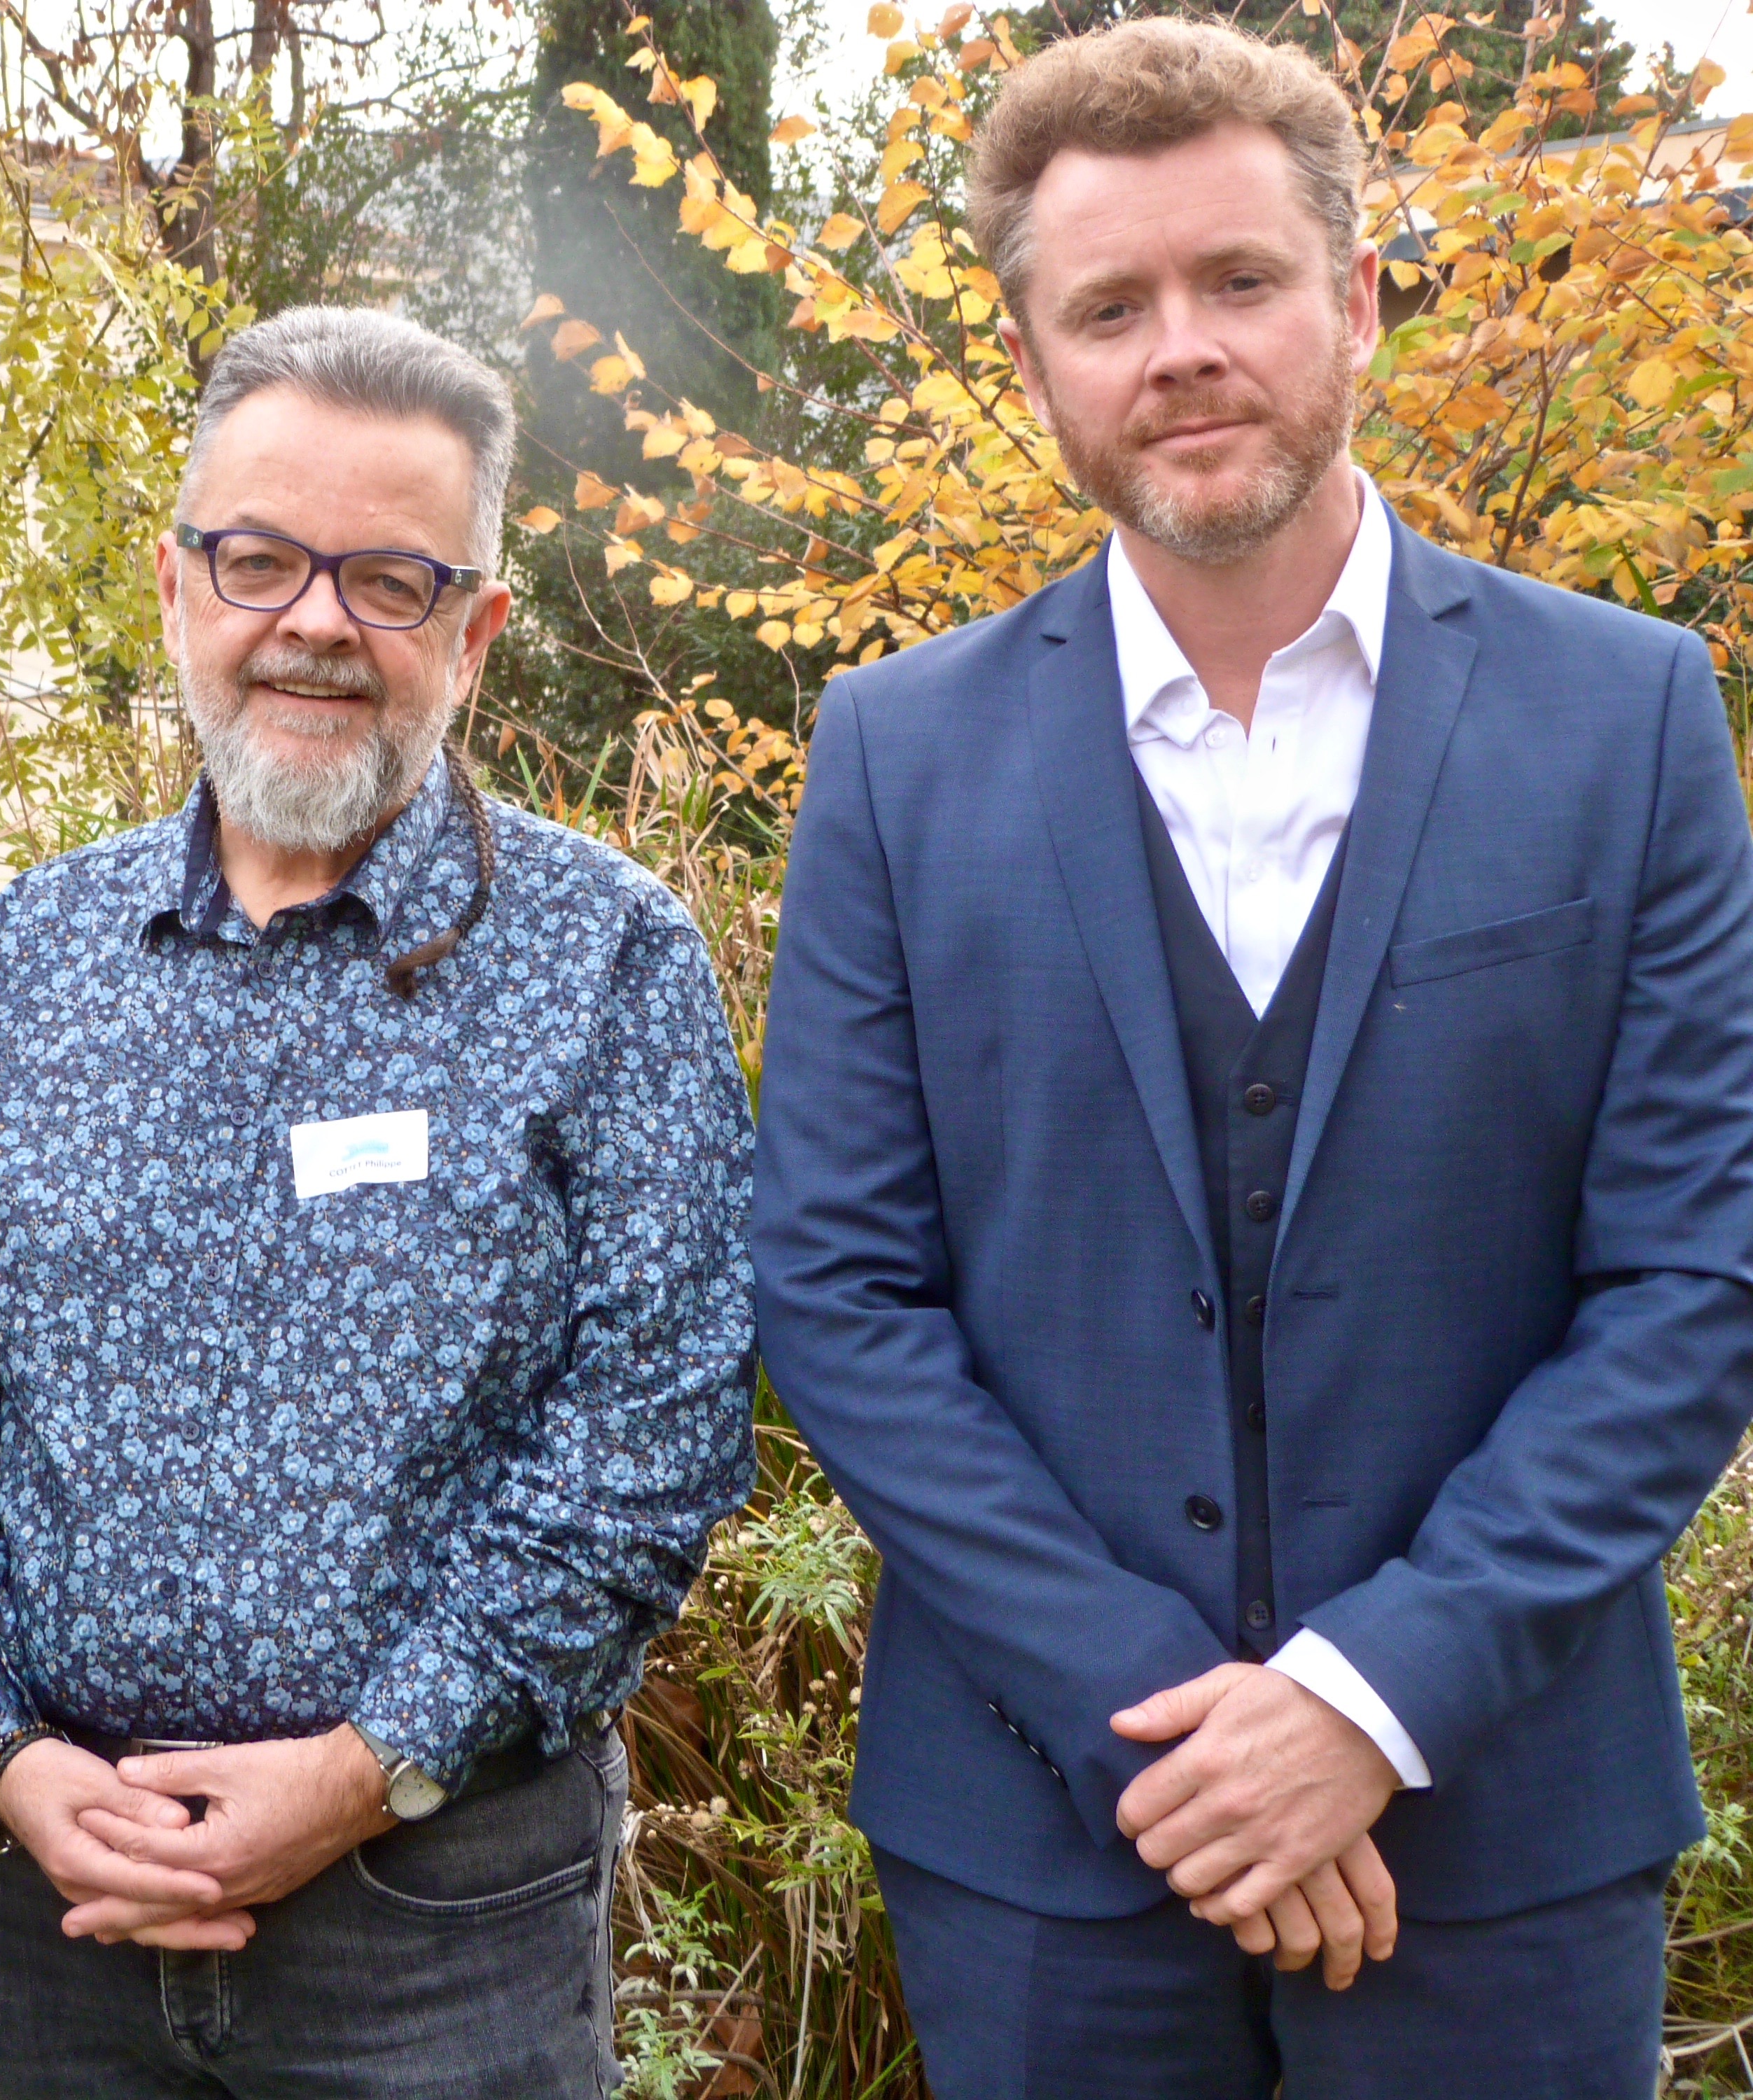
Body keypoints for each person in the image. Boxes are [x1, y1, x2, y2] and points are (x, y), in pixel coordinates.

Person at [750, 20, 1753, 2096]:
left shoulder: (1629, 717)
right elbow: (837, 1293)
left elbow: (1694, 1275)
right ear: (1032, 365)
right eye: (1108, 307)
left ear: (1358, 300)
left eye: (1239, 280)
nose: (1180, 350)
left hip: (1500, 1831)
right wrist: (1166, 1725)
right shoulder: (894, 756)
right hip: (1042, 1838)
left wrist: (1366, 1701)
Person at [0, 304, 758, 2098]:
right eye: (258, 560)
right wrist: (0, 1754)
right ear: (176, 582)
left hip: (436, 1925)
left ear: (473, 633)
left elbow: (652, 1431)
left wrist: (361, 1768)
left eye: (388, 580)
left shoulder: (605, 960)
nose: (314, 622)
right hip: (65, 1914)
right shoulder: (22, 960)